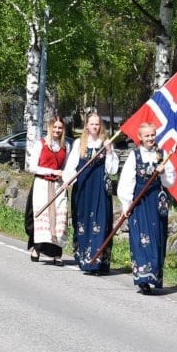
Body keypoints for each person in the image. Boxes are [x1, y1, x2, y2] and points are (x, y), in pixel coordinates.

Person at [118, 122, 176, 294]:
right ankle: (143, 277)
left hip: (156, 203)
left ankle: (154, 276)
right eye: (147, 136)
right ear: (140, 138)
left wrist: (163, 171)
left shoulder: (162, 154)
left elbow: (170, 181)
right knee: (140, 238)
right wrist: (126, 205)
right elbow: (126, 182)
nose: (150, 138)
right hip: (140, 201)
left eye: (152, 135)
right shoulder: (134, 156)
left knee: (157, 238)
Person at [66, 112, 119, 275]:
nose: (95, 127)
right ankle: (85, 259)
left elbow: (112, 170)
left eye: (98, 124)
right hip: (83, 187)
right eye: (92, 124)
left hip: (100, 188)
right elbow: (71, 166)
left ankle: (97, 262)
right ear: (87, 126)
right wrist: (68, 180)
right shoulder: (78, 143)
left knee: (101, 223)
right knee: (83, 223)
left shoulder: (106, 143)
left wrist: (109, 151)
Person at [24, 115, 69, 265]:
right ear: (50, 128)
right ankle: (37, 248)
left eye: (60, 128)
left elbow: (65, 168)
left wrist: (66, 179)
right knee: (41, 217)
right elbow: (32, 167)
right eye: (55, 127)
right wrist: (51, 171)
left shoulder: (65, 147)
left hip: (58, 186)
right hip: (42, 184)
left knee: (58, 219)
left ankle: (57, 253)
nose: (57, 130)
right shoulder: (40, 144)